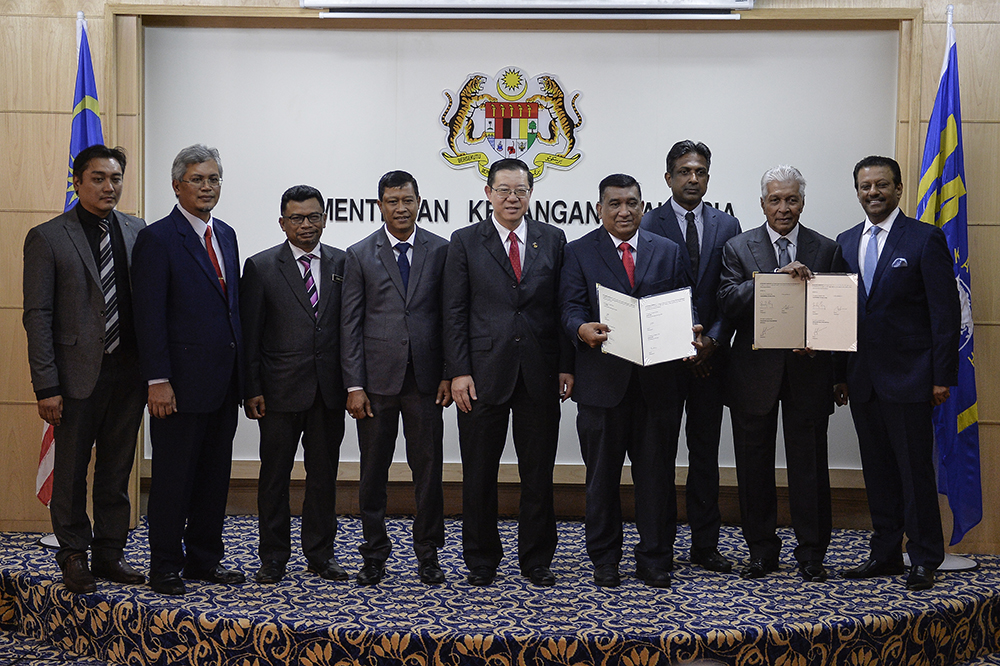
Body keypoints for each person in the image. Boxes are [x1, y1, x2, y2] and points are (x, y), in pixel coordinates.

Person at [443, 158, 574, 587]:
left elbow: (563, 309)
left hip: (539, 371)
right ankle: (481, 559)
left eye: (519, 190)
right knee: (479, 471)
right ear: (488, 193)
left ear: (531, 194)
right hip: (481, 374)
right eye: (503, 190)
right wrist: (458, 370)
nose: (511, 197)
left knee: (538, 473)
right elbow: (454, 311)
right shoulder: (464, 241)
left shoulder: (553, 239)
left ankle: (537, 559)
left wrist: (565, 366)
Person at [22, 144, 147, 594]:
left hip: (129, 373)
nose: (108, 186)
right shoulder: (48, 236)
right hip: (74, 378)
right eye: (98, 178)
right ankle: (73, 555)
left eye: (115, 178)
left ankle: (110, 553)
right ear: (77, 182)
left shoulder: (137, 230)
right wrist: (46, 384)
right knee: (72, 473)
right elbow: (37, 315)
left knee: (116, 471)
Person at [560, 173, 694, 588]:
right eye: (615, 203)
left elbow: (684, 304)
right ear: (600, 208)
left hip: (659, 386)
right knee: (601, 478)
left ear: (643, 205)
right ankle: (604, 559)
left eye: (632, 203)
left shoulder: (668, 251)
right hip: (602, 386)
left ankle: (655, 559)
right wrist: (580, 328)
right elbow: (567, 307)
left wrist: (691, 330)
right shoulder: (579, 251)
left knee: (656, 479)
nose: (624, 211)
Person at [837, 156, 960, 591]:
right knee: (878, 473)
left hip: (910, 378)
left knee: (914, 473)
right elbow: (840, 314)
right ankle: (886, 553)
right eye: (865, 186)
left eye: (882, 185)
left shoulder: (926, 238)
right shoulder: (846, 240)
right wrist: (840, 374)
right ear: (856, 191)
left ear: (899, 189)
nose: (873, 193)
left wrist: (942, 376)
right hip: (863, 380)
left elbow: (945, 315)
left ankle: (925, 556)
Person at [718, 165, 846, 582]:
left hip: (809, 372)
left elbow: (839, 313)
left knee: (810, 468)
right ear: (762, 204)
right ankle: (761, 551)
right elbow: (727, 303)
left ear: (802, 202)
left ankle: (812, 553)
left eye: (791, 199)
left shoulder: (826, 248)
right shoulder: (738, 246)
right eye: (775, 199)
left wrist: (828, 352)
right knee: (753, 468)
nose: (784, 207)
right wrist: (771, 281)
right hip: (753, 374)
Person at [131, 144, 245, 595]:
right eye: (197, 179)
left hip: (222, 383)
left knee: (214, 481)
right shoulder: (157, 238)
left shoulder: (229, 235)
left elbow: (231, 310)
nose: (207, 187)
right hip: (176, 386)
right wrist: (157, 379)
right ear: (176, 185)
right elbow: (149, 316)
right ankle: (164, 566)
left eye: (214, 178)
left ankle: (203, 560)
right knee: (173, 480)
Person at [341, 171, 452, 586]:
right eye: (392, 201)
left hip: (426, 383)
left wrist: (447, 373)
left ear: (419, 201)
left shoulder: (441, 250)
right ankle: (373, 554)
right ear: (380, 205)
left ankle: (428, 554)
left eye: (407, 200)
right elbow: (349, 324)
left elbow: (449, 318)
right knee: (373, 472)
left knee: (429, 472)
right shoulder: (359, 253)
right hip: (375, 385)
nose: (400, 208)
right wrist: (353, 385)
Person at [640, 140, 742, 573]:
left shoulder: (727, 223)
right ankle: (659, 542)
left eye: (700, 171)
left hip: (711, 360)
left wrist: (712, 340)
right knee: (658, 455)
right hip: (663, 362)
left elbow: (732, 290)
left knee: (705, 453)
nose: (693, 179)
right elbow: (644, 290)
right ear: (668, 178)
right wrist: (682, 342)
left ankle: (705, 544)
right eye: (684, 172)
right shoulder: (647, 221)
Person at [241, 185, 347, 585]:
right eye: (298, 218)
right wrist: (251, 389)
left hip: (328, 391)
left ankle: (320, 554)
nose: (306, 224)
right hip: (278, 392)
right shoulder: (261, 266)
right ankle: (273, 557)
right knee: (275, 477)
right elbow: (251, 336)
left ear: (324, 218)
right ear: (282, 222)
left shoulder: (343, 262)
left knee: (324, 477)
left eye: (314, 216)